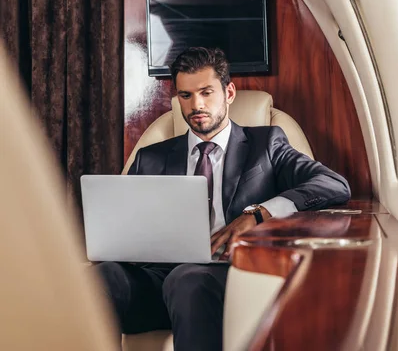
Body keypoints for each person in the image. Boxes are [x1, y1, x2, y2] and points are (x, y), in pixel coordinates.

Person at [95, 47, 351, 351]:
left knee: (188, 279)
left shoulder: (266, 144)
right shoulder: (150, 157)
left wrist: (258, 213)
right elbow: (126, 227)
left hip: (224, 278)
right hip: (156, 281)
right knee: (101, 276)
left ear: (228, 92)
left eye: (206, 92)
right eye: (186, 96)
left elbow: (333, 184)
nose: (196, 105)